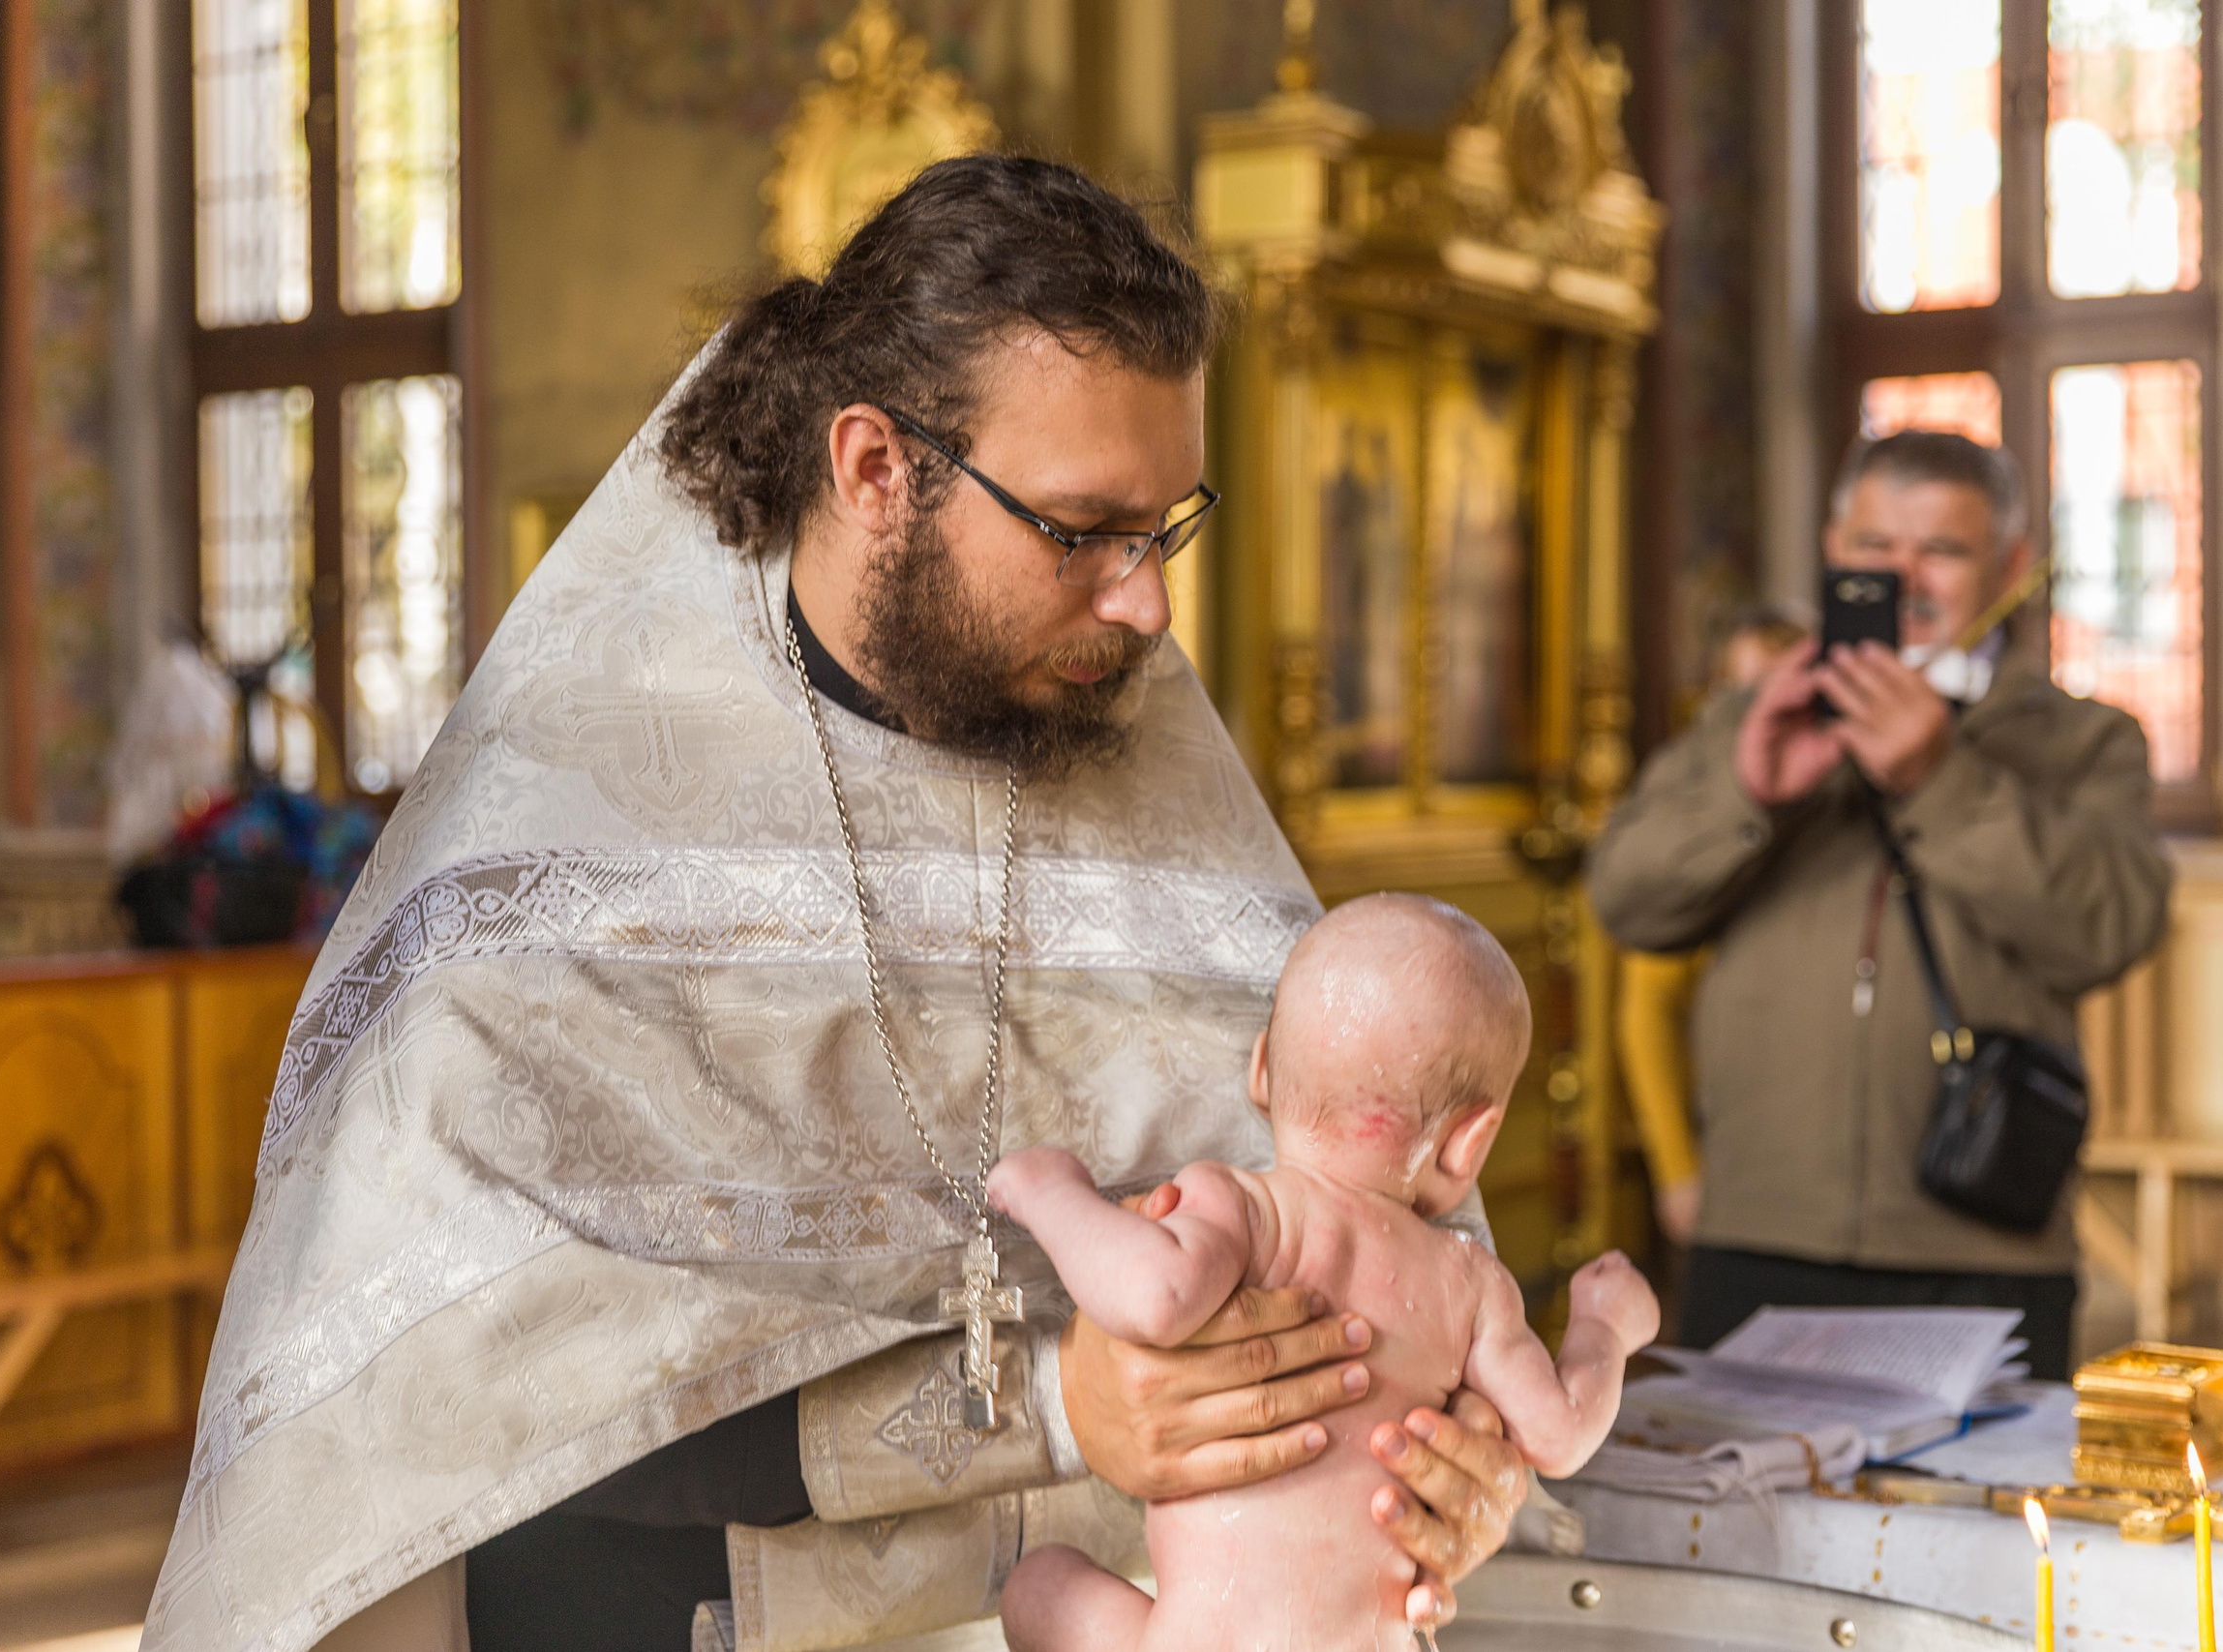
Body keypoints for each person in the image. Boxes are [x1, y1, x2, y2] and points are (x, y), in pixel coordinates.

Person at [140, 159, 1527, 1652]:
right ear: (875, 468)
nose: (1146, 604)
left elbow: (1377, 1228)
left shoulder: (1139, 758)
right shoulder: (573, 810)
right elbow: (462, 1398)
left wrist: (1445, 1459)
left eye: (1164, 528)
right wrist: (1050, 1405)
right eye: (1082, 530)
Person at [1587, 431, 2172, 1380]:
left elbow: (2109, 929)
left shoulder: (2082, 741)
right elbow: (1626, 900)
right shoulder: (1746, 718)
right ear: (1832, 550)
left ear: (2010, 567)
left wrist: (1940, 778)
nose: (1903, 578)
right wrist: (1747, 793)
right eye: (1873, 547)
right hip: (1761, 1231)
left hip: (1982, 1242)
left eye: (1942, 549)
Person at [988, 895, 1657, 1652]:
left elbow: (1152, 1297)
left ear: (1261, 1069)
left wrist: (1054, 1194)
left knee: (1039, 1585)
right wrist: (1605, 1325)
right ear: (1471, 1140)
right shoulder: (1471, 1283)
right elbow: (1558, 1435)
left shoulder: (1244, 1208)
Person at [1615, 604, 1812, 1247]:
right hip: (1731, 1149)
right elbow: (1648, 1013)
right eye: (1749, 691)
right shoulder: (1697, 825)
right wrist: (1678, 1171)